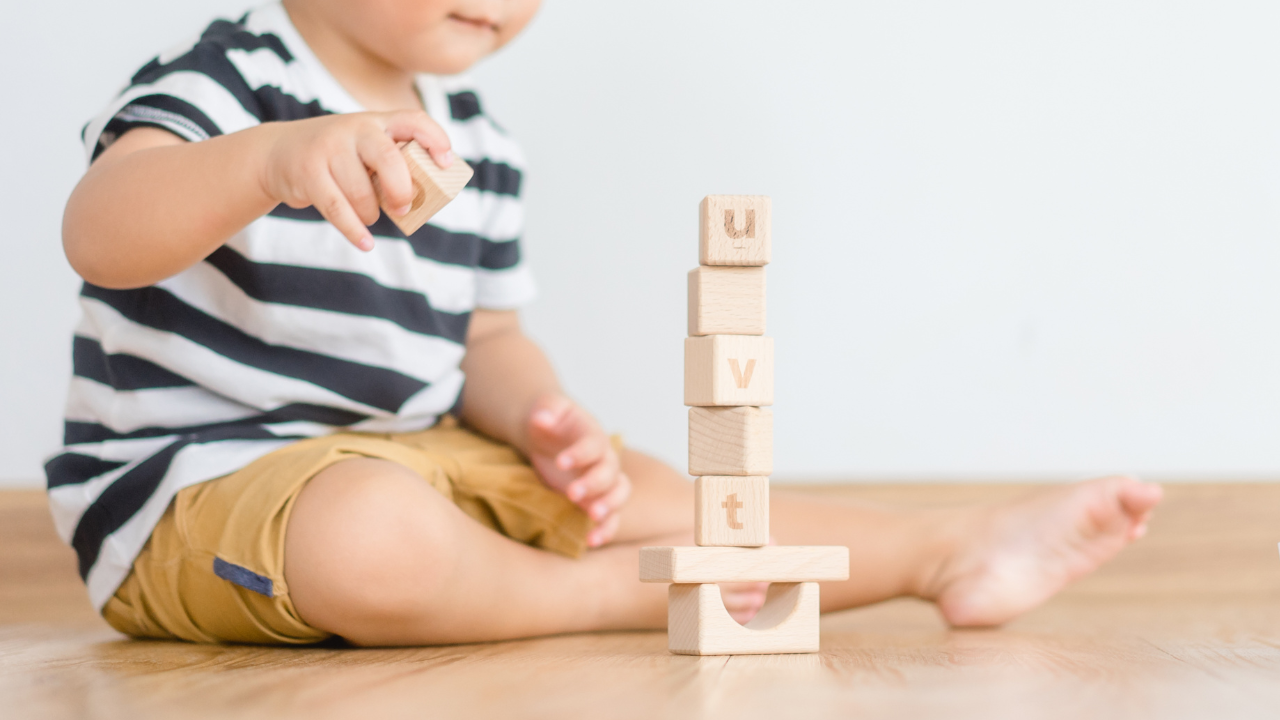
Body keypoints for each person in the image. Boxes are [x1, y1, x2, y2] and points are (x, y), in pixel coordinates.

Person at [49, 0, 1163, 646]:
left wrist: (542, 416)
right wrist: (267, 162)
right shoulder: (227, 78)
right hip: (188, 488)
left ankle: (944, 551)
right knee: (368, 533)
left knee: (653, 492)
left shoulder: (477, 139)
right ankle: (598, 599)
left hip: (415, 454)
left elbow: (484, 341)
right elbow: (101, 231)